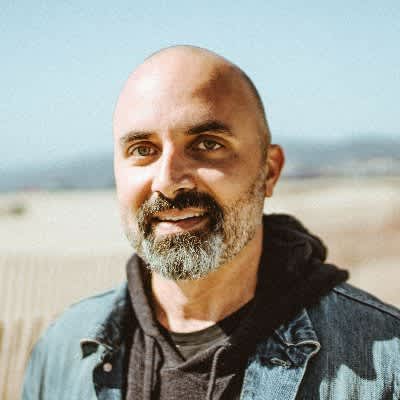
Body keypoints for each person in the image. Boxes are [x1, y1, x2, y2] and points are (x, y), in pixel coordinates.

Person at [23, 45, 400, 400]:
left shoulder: (387, 365)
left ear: (269, 172)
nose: (167, 181)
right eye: (143, 150)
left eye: (207, 144)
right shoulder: (63, 351)